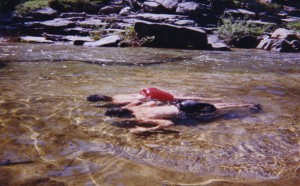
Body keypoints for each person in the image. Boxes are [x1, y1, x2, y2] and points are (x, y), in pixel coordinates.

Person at [87, 88, 262, 133]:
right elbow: (154, 104)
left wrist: (147, 129)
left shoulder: (140, 120)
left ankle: (246, 107)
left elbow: (169, 124)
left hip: (185, 112)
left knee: (219, 113)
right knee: (220, 106)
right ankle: (245, 104)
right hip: (183, 104)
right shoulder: (140, 109)